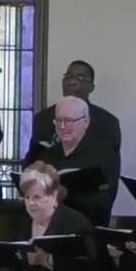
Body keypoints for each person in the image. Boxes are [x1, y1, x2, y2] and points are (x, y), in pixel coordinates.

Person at [32, 96, 120, 227]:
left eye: (68, 121)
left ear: (86, 122)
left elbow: (105, 200)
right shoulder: (46, 155)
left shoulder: (104, 154)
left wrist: (68, 195)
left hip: (88, 229)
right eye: (58, 121)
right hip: (50, 229)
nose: (62, 126)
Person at [24, 60, 122, 165]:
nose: (72, 82)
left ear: (91, 88)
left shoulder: (107, 122)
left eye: (80, 78)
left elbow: (111, 166)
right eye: (68, 76)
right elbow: (32, 160)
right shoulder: (43, 118)